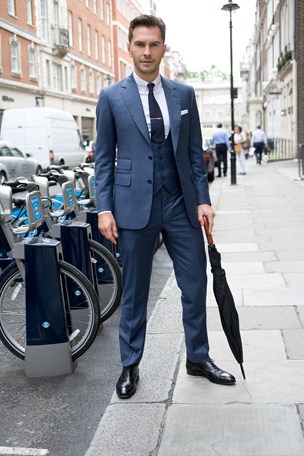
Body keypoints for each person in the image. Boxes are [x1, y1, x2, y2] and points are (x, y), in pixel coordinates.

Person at [95, 14, 236, 399]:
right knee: (136, 289)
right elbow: (104, 159)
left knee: (195, 282)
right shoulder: (111, 97)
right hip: (133, 206)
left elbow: (193, 154)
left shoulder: (183, 94)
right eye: (139, 44)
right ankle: (130, 365)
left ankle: (198, 357)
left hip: (180, 204)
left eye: (153, 44)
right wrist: (104, 208)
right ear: (129, 47)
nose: (146, 51)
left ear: (163, 48)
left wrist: (203, 200)